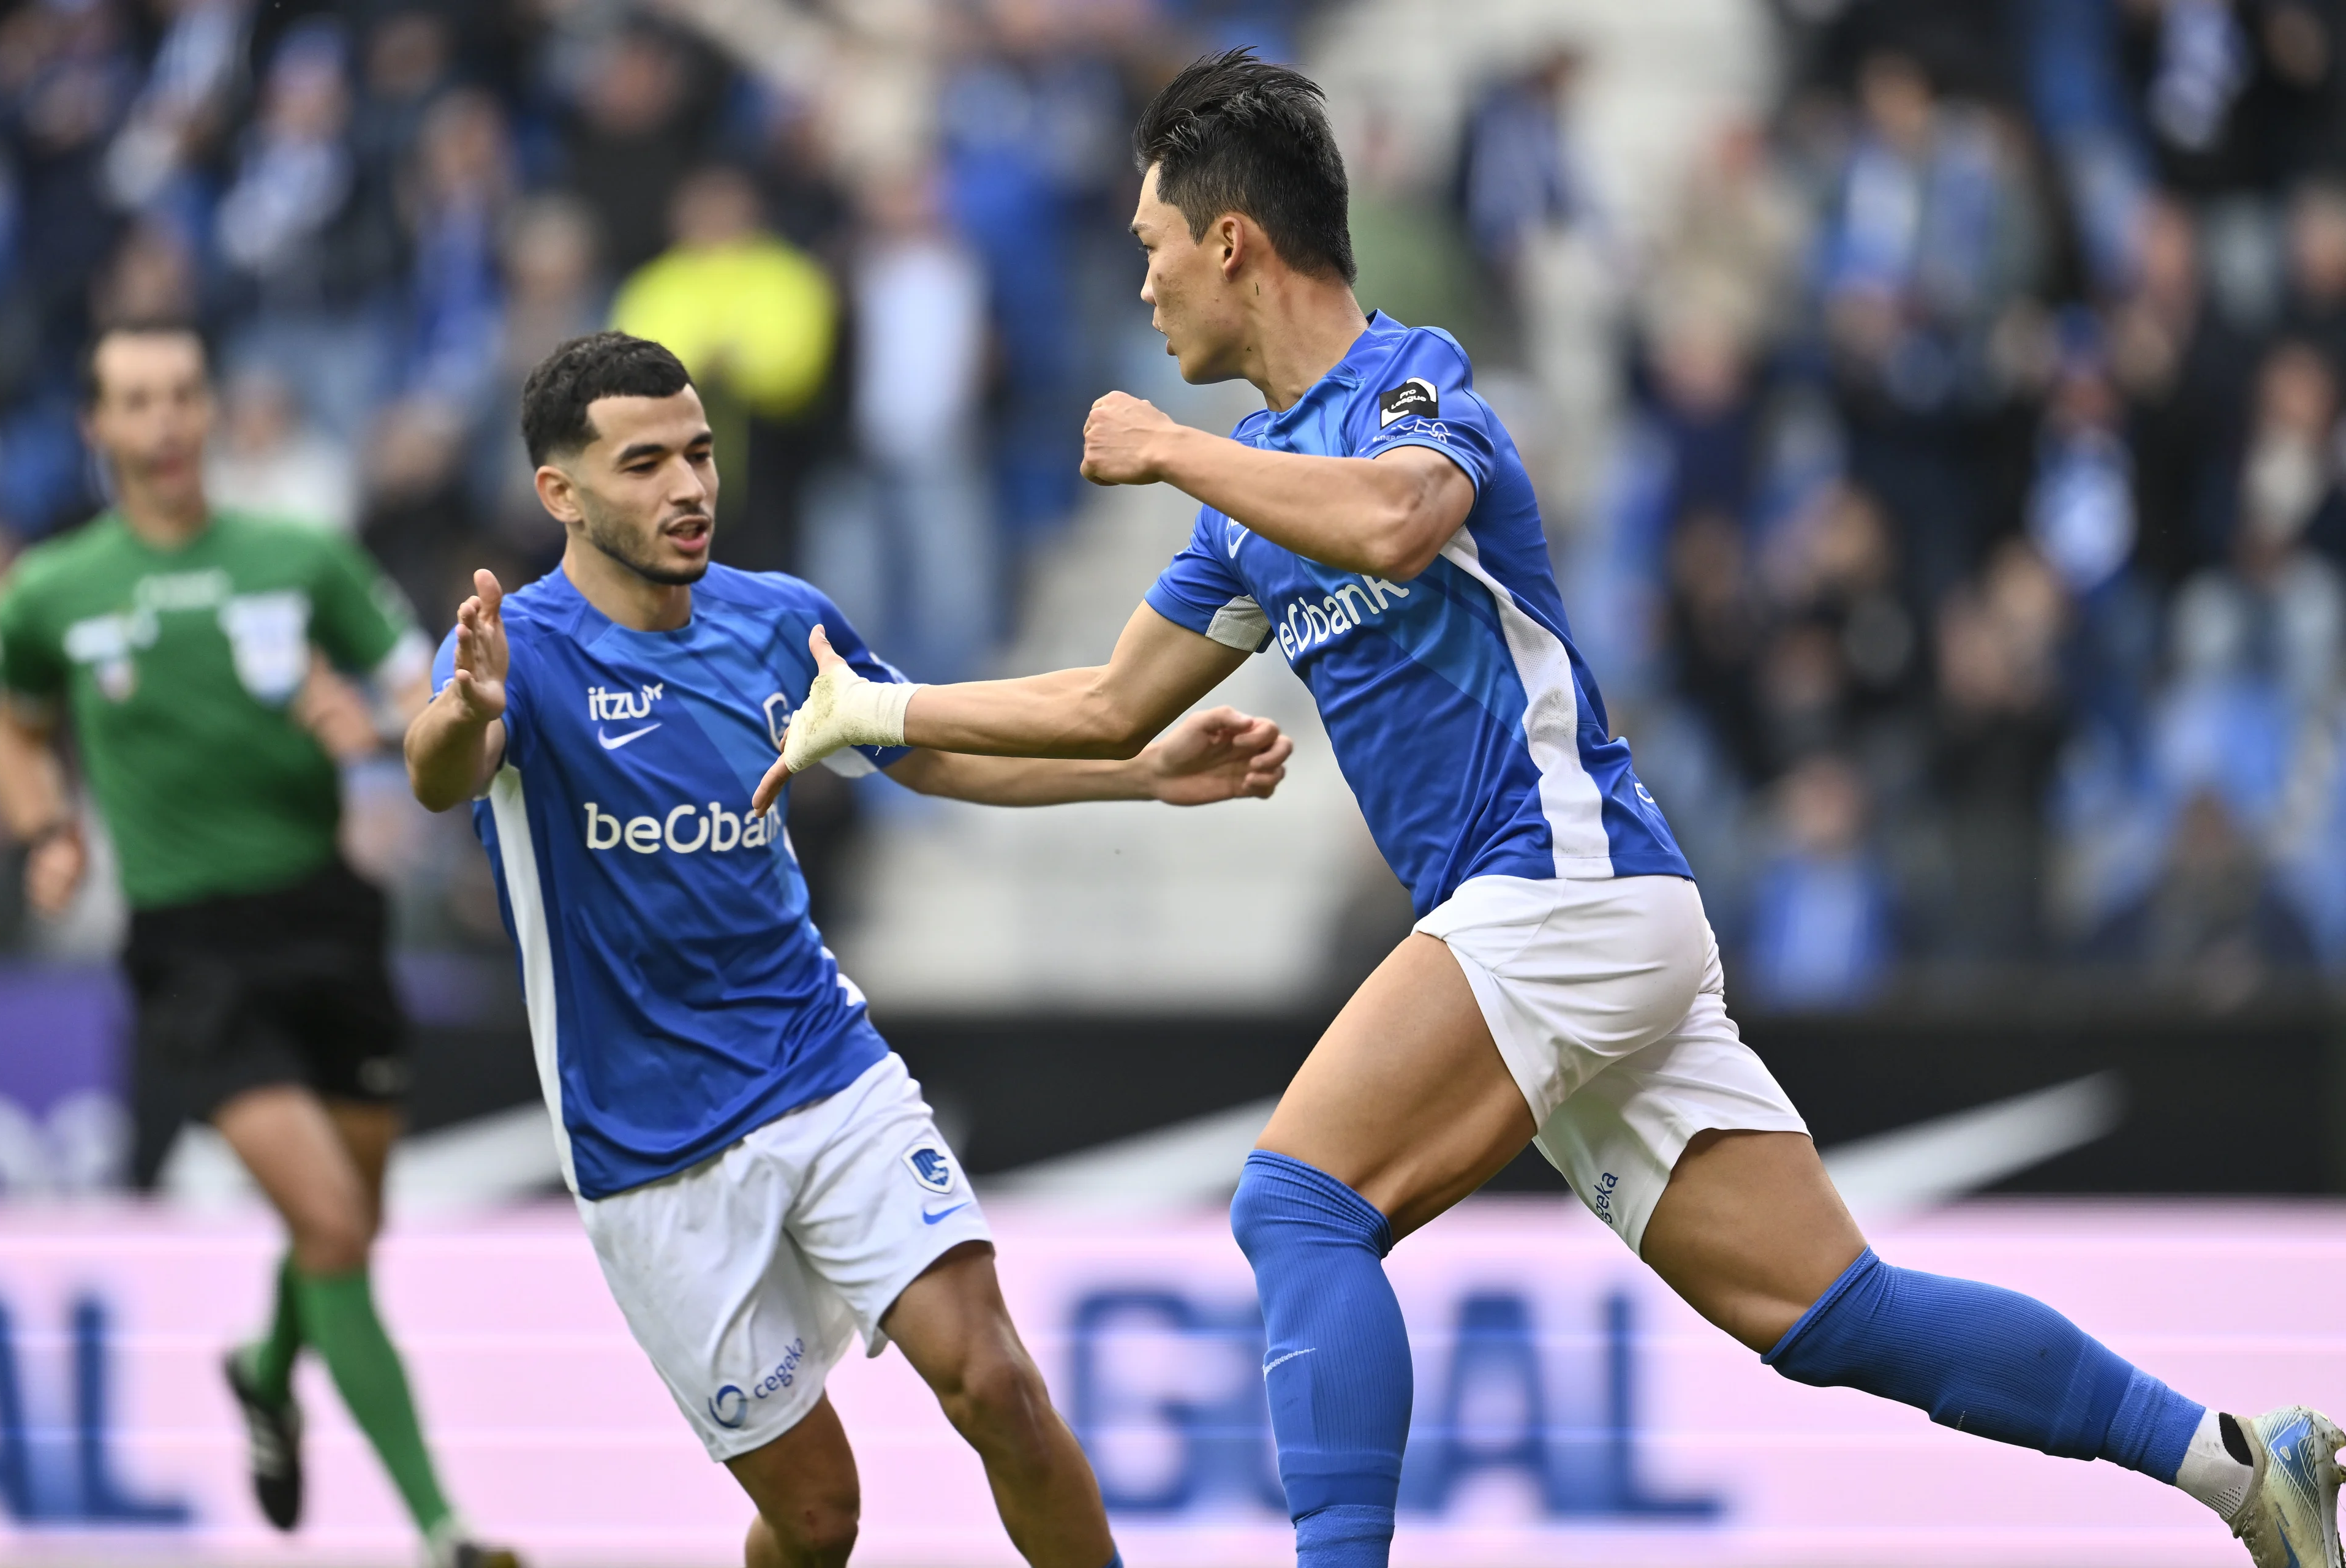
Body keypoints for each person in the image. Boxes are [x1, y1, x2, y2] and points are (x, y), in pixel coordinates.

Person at [760, 50, 2343, 1568]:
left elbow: (1394, 523)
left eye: (1156, 245)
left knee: (1297, 1205)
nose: (1146, 279)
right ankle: (2232, 1462)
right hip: (1570, 925)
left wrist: (1173, 452)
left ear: (1232, 243)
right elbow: (1104, 709)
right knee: (1833, 1313)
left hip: (1559, 885)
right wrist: (876, 713)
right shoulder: (1250, 499)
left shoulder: (1417, 383)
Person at [401, 331, 1290, 1568]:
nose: (689, 488)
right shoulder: (517, 656)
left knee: (999, 1386)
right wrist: (465, 708)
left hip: (823, 1067)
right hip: (650, 1145)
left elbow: (923, 751)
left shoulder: (781, 623)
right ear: (562, 492)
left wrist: (1136, 770)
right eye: (645, 462)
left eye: (700, 454)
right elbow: (443, 775)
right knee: (820, 1518)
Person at [0, 322, 516, 1568]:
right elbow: (16, 727)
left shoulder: (300, 555)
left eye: (182, 394)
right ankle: (445, 1530)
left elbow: (423, 691)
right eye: (137, 400)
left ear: (210, 411)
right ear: (99, 427)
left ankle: (266, 1362)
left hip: (328, 921)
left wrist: (377, 724)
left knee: (350, 1219)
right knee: (333, 1222)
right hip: (191, 948)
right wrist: (46, 829)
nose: (166, 420)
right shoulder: (53, 591)